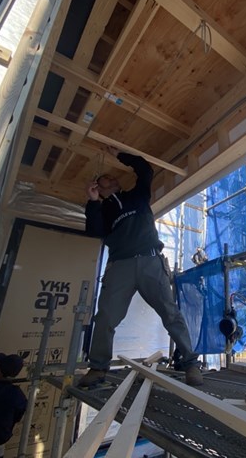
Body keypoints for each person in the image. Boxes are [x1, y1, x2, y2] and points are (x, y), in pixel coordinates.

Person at [79, 146, 203, 388]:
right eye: (106, 179)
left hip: (151, 261)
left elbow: (145, 170)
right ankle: (98, 368)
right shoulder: (103, 210)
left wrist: (119, 155)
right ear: (99, 189)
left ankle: (190, 364)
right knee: (105, 317)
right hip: (120, 267)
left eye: (113, 177)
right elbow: (94, 232)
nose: (112, 179)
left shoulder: (137, 195)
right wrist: (92, 202)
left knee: (170, 313)